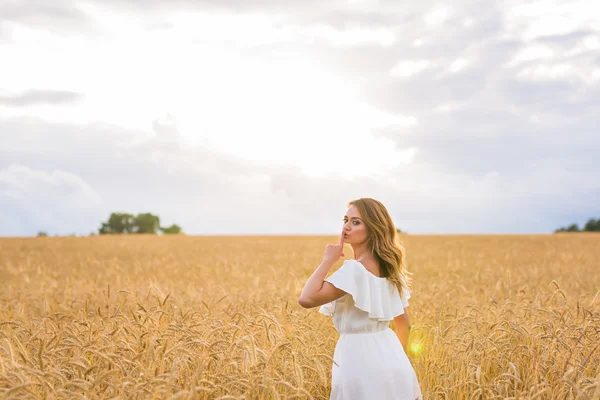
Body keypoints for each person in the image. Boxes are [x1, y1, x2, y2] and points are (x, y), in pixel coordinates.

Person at [298, 198, 422, 399]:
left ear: (374, 228)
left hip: (357, 362)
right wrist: (395, 361)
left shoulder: (354, 270)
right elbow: (404, 325)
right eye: (345, 219)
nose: (346, 226)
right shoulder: (392, 270)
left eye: (356, 222)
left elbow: (306, 299)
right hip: (394, 360)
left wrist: (327, 260)